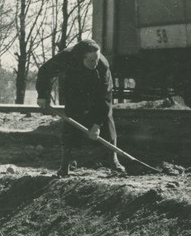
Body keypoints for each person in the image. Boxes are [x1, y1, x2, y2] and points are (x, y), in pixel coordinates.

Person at [36, 39, 127, 177]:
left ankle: (114, 161)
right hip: (75, 88)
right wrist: (43, 95)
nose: (95, 63)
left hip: (96, 90)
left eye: (97, 59)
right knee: (70, 120)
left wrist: (97, 125)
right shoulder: (66, 57)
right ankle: (64, 166)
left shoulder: (102, 66)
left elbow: (105, 98)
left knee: (107, 119)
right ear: (80, 58)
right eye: (91, 61)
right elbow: (44, 71)